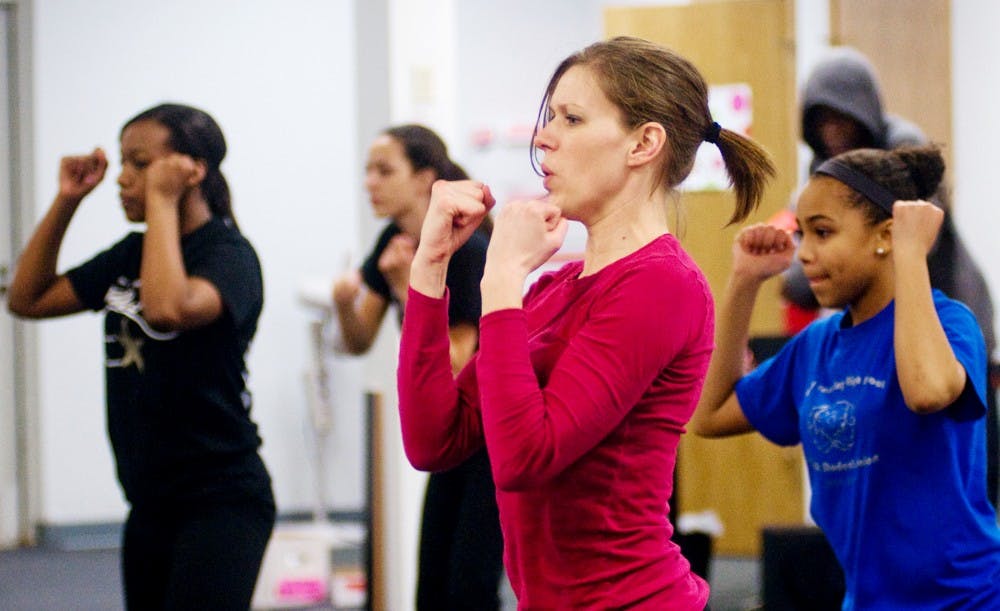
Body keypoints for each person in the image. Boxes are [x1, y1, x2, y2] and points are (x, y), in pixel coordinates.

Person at [396, 36, 775, 608]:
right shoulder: (554, 290)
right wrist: (430, 266)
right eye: (550, 117)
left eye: (572, 118)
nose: (544, 136)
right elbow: (434, 442)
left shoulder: (662, 283)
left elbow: (527, 457)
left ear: (644, 143)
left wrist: (499, 279)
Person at [692, 145, 1000, 609]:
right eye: (802, 234)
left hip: (966, 599)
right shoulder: (817, 347)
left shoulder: (951, 325)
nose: (805, 255)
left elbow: (927, 390)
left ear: (885, 236)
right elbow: (711, 415)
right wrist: (743, 283)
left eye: (822, 233)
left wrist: (911, 254)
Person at [6, 103, 275, 609]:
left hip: (221, 500)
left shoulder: (229, 255)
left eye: (140, 163)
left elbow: (167, 307)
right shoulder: (131, 253)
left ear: (191, 170)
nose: (123, 178)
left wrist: (161, 204)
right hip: (150, 501)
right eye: (124, 163)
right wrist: (67, 200)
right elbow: (26, 299)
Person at [787, 45, 1000, 506]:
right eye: (822, 121)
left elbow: (918, 235)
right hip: (888, 330)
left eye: (841, 118)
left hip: (947, 305)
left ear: (863, 111)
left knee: (972, 467)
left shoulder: (901, 145)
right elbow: (798, 285)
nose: (833, 132)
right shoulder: (822, 172)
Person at [331, 124, 503, 610]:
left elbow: (454, 360)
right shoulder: (394, 240)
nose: (370, 182)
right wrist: (346, 302)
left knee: (470, 585)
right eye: (368, 170)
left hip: (493, 429)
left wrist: (410, 288)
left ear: (425, 177)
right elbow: (358, 340)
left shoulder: (467, 251)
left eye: (384, 171)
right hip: (452, 431)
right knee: (432, 586)